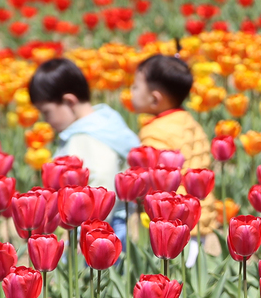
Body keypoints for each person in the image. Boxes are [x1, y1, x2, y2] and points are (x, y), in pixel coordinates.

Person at [29, 57, 140, 242]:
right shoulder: (106, 120)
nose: (45, 120)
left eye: (46, 112)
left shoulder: (85, 136)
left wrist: (88, 232)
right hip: (113, 223)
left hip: (100, 229)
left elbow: (103, 180)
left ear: (69, 102)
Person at [132, 54, 221, 251]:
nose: (131, 92)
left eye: (135, 87)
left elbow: (151, 181)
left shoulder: (155, 133)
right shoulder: (190, 122)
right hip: (199, 213)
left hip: (173, 219)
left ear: (155, 99)